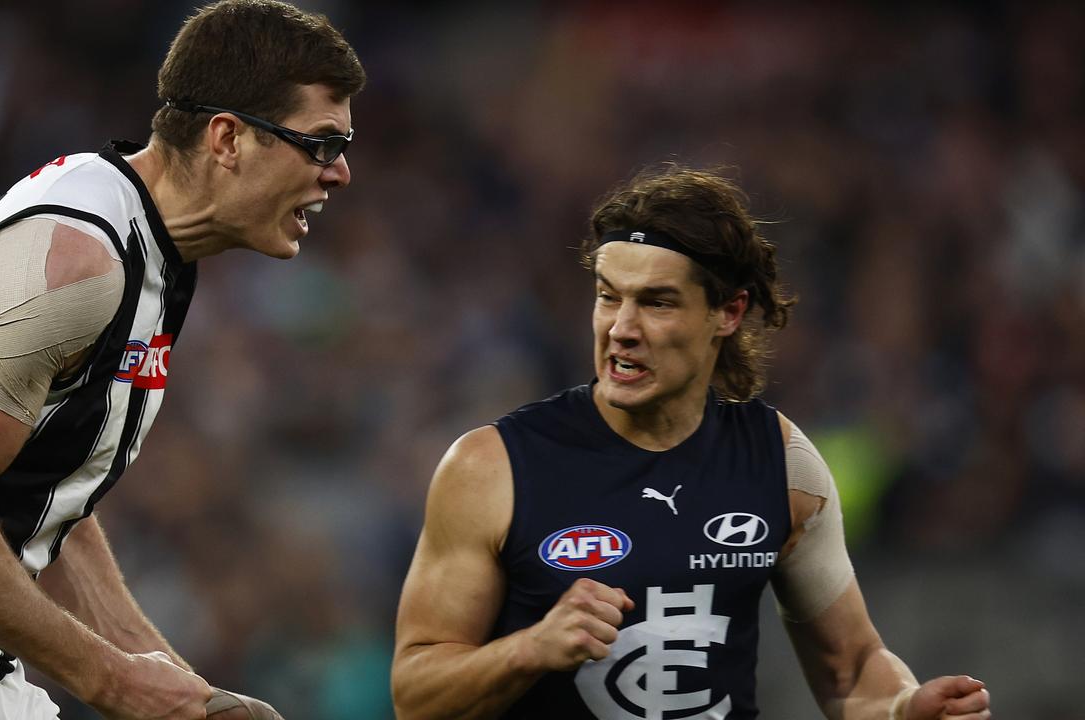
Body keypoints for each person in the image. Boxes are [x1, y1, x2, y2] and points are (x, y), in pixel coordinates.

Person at [0, 1, 363, 718]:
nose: (340, 173)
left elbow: (41, 491)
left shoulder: (147, 242)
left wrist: (185, 693)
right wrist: (115, 681)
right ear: (227, 138)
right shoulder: (78, 260)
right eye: (319, 143)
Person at [391, 168, 992, 720]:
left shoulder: (781, 463)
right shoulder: (492, 466)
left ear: (728, 312)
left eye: (656, 302)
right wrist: (529, 649)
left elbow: (852, 670)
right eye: (608, 295)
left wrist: (906, 708)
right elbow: (415, 697)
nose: (621, 329)